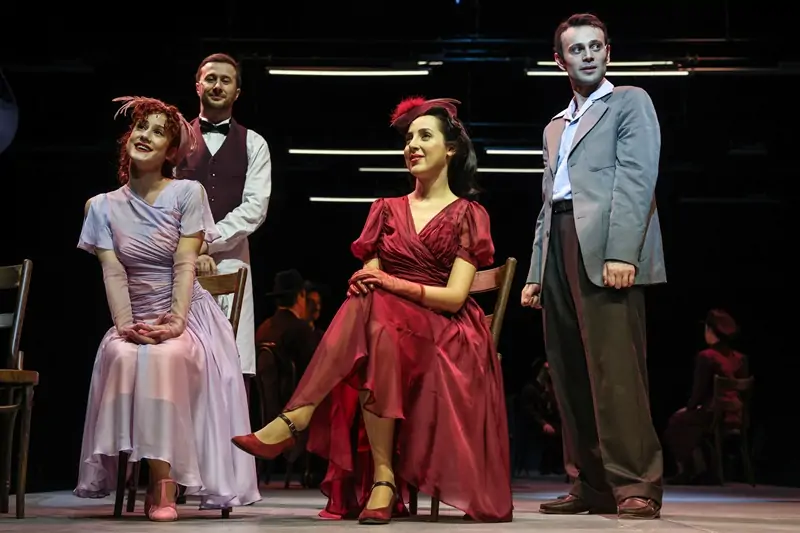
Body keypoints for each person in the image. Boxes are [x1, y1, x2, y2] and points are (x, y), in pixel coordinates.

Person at [233, 97, 513, 524]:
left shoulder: (469, 213)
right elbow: (372, 279)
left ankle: (297, 418)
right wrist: (370, 281)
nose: (412, 146)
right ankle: (382, 477)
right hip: (387, 329)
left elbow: (456, 297)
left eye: (425, 136)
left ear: (451, 149)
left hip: (446, 331)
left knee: (375, 308)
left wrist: (389, 283)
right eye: (408, 138)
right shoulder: (384, 209)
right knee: (372, 310)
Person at [74, 96, 260, 522]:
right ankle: (141, 477)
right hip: (135, 317)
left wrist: (175, 323)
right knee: (121, 353)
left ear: (171, 152)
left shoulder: (187, 193)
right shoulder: (100, 206)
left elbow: (184, 263)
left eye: (159, 132)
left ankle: (164, 483)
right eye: (142, 128)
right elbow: (113, 272)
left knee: (166, 356)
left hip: (188, 316)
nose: (146, 136)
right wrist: (125, 326)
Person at [520, 13, 666, 520]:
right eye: (576, 49)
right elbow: (547, 200)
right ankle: (590, 482)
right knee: (567, 369)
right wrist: (536, 271)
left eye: (595, 46)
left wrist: (623, 251)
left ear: (608, 52)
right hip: (560, 241)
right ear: (559, 60)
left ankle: (635, 483)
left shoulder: (629, 101)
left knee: (615, 371)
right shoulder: (555, 126)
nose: (587, 55)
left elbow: (637, 178)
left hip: (605, 243)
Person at [176, 53, 272, 390]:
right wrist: (191, 246)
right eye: (211, 78)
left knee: (228, 368)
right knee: (179, 363)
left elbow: (255, 207)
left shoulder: (254, 143)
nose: (218, 85)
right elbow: (163, 201)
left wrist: (207, 241)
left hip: (231, 262)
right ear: (198, 86)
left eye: (226, 80)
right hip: (178, 260)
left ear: (237, 92)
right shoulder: (175, 139)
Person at [664, 309, 749, 484]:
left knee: (676, 421)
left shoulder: (707, 356)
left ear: (711, 331)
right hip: (737, 415)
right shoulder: (740, 358)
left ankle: (689, 470)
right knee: (689, 423)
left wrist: (690, 408)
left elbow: (698, 391)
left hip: (714, 414)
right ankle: (704, 470)